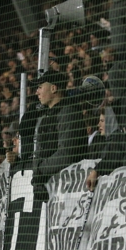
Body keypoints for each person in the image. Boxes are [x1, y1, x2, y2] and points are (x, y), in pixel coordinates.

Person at [31, 70, 86, 198]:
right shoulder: (45, 116)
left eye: (40, 87)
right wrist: (37, 174)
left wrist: (39, 170)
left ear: (53, 88)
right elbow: (38, 151)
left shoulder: (69, 113)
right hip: (54, 188)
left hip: (71, 189)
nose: (36, 92)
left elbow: (66, 154)